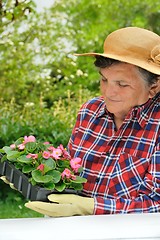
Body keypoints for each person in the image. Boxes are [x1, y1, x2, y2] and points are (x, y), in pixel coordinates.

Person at [6, 27, 160, 216]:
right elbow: (70, 174)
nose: (109, 93)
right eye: (104, 80)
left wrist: (90, 207)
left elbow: (155, 204)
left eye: (122, 84)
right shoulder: (90, 111)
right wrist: (31, 177)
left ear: (154, 86)